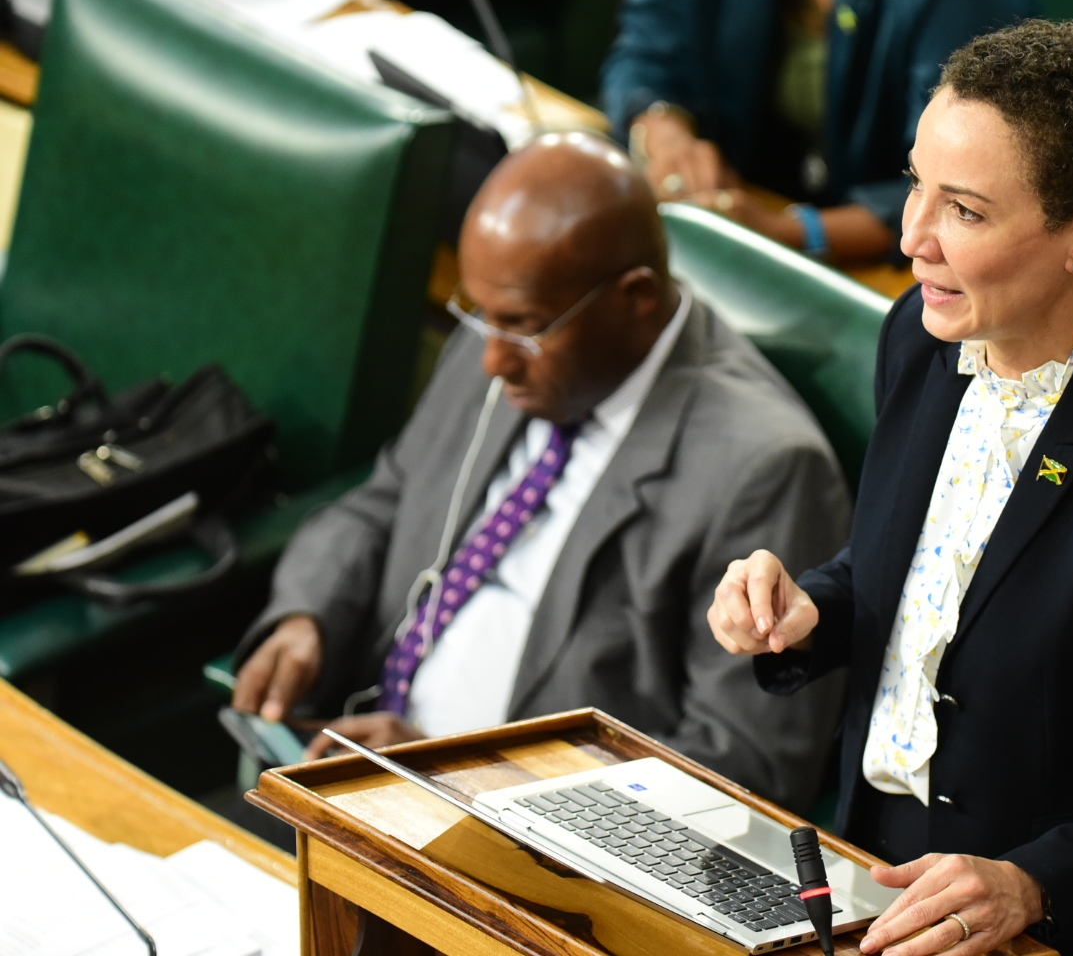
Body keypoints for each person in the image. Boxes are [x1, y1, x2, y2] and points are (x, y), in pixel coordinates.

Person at [707, 21, 1073, 955]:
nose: (912, 239)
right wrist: (807, 608)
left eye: (966, 212)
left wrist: (1034, 883)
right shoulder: (920, 337)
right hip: (878, 867)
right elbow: (904, 571)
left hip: (1054, 926)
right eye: (915, 185)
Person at [233, 132, 849, 814]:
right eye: (479, 316)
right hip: (352, 765)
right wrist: (307, 618)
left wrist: (464, 779)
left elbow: (749, 765)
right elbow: (385, 502)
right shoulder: (506, 331)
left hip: (530, 861)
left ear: (637, 298)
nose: (492, 360)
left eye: (522, 328)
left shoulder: (762, 468)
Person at [600, 0, 1037, 266]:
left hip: (893, 263)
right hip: (745, 215)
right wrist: (662, 127)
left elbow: (968, 183)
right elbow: (644, 48)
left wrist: (792, 233)